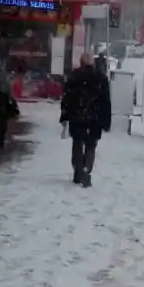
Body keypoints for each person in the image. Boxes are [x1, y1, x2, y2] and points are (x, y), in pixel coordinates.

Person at [60, 53, 112, 187]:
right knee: (91, 146)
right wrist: (106, 122)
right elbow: (106, 103)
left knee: (77, 144)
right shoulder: (101, 79)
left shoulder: (74, 77)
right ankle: (86, 168)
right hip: (95, 120)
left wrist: (65, 116)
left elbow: (66, 98)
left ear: (81, 62)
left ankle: (78, 169)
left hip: (77, 118)